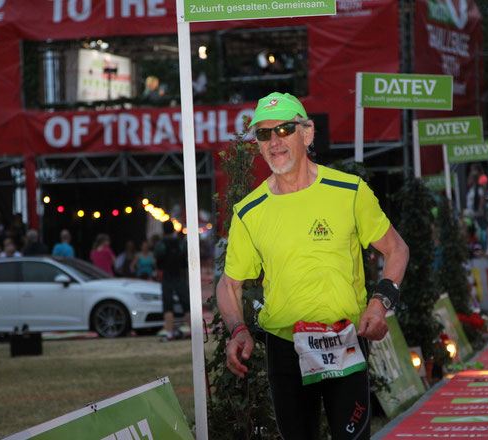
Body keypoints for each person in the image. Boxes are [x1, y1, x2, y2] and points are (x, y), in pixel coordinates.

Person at [216, 92, 409, 440]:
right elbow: (229, 284)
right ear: (258, 145)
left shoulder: (348, 191)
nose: (274, 141)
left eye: (284, 129)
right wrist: (237, 330)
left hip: (345, 340)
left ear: (307, 133)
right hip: (284, 348)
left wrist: (380, 304)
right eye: (264, 134)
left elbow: (396, 249)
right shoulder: (249, 210)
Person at [154, 221, 191, 340]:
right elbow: (186, 259)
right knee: (186, 303)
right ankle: (192, 329)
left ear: (163, 230)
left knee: (168, 304)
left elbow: (157, 261)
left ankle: (169, 332)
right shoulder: (181, 243)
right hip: (180, 275)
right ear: (173, 229)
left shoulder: (161, 244)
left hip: (167, 275)